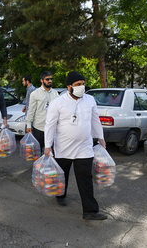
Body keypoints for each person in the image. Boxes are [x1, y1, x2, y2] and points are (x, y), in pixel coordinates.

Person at [44, 71, 107, 220]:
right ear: (69, 87)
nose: (81, 87)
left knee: (85, 177)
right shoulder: (57, 103)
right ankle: (60, 195)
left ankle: (90, 211)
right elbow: (50, 125)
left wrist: (101, 137)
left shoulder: (90, 100)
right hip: (63, 147)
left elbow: (95, 120)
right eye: (78, 84)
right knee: (62, 174)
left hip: (84, 147)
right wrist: (48, 145)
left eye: (83, 84)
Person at [25, 71, 59, 151]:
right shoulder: (35, 94)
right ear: (42, 80)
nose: (50, 81)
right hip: (39, 128)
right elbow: (31, 110)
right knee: (37, 154)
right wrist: (28, 124)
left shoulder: (55, 93)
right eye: (47, 79)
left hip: (52, 128)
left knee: (52, 154)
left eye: (51, 79)